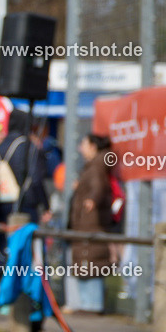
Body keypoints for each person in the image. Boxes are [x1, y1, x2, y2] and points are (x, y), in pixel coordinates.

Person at [65, 134, 115, 314]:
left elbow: (98, 187)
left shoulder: (95, 168)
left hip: (90, 223)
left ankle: (91, 305)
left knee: (90, 261)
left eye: (84, 144)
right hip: (87, 223)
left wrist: (91, 199)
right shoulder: (94, 166)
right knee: (87, 262)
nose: (80, 148)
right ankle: (87, 304)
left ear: (93, 146)